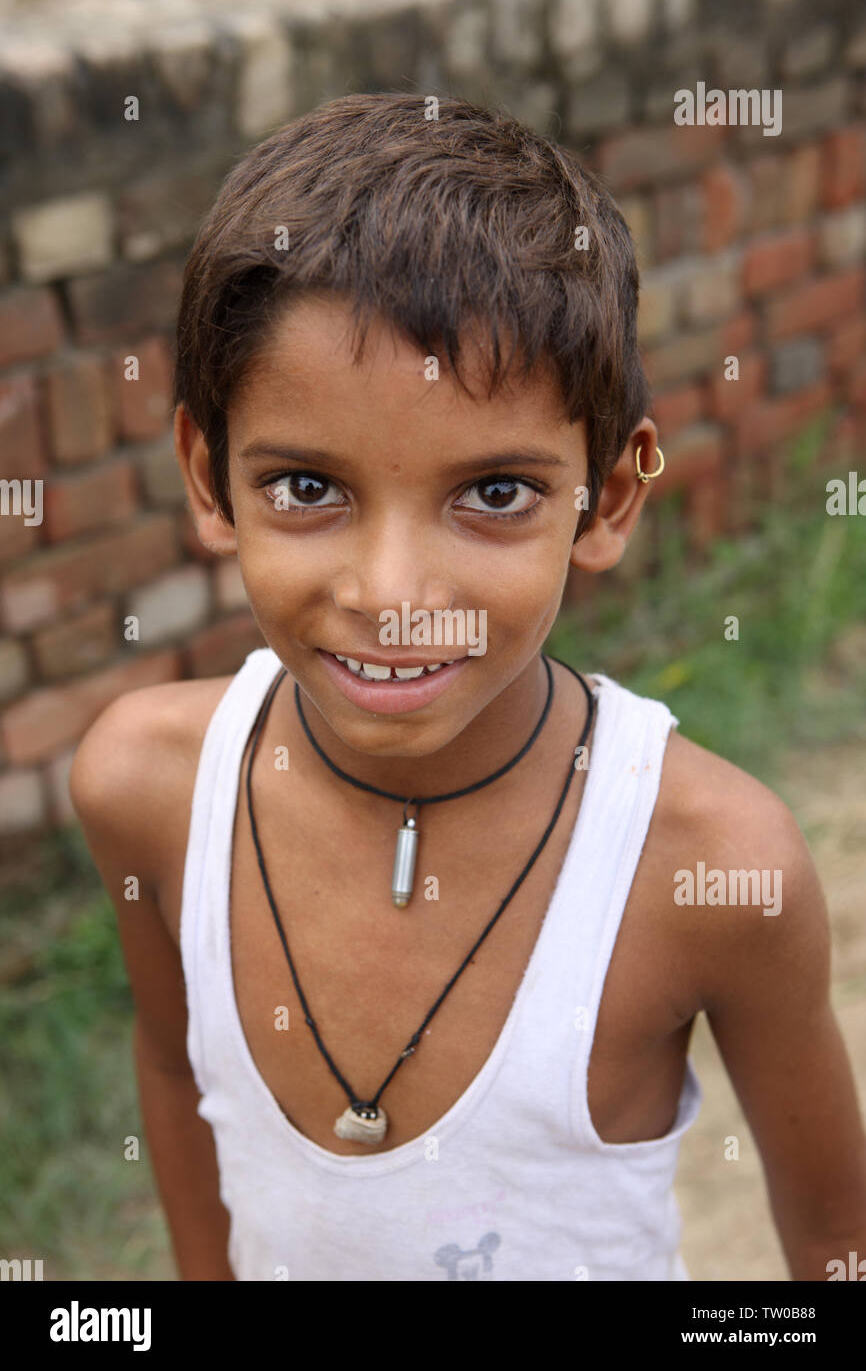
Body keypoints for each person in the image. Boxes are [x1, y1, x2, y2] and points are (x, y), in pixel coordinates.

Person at [70, 92, 866, 1282]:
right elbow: (178, 1069)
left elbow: (833, 1246)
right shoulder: (148, 789)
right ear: (207, 476)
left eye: (493, 493)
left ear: (604, 502)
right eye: (304, 486)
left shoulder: (707, 867)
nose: (393, 592)